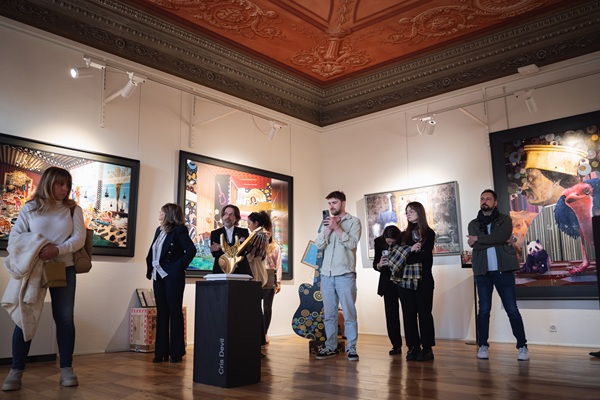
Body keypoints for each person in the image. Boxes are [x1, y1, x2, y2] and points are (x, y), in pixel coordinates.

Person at [2, 167, 86, 391]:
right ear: (48, 183)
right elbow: (15, 237)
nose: (65, 189)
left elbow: (79, 238)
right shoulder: (30, 207)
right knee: (25, 315)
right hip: (34, 269)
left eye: (68, 185)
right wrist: (38, 246)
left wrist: (57, 250)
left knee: (65, 318)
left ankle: (66, 368)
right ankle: (16, 370)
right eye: (60, 184)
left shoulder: (73, 209)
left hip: (63, 267)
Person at [467, 189, 529, 361]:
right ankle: (483, 345)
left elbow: (501, 236)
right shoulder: (473, 224)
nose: (484, 201)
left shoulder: (504, 219)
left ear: (495, 202)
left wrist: (478, 239)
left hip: (504, 270)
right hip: (482, 272)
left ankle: (522, 346)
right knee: (484, 310)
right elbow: (480, 245)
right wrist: (498, 240)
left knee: (512, 309)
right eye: (482, 198)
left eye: (488, 198)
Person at [314, 191, 361, 361]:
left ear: (343, 203)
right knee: (329, 315)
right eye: (329, 203)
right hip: (326, 275)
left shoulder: (354, 222)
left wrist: (337, 228)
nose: (331, 206)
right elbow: (318, 244)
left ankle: (351, 348)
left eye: (334, 202)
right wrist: (328, 229)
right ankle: (330, 347)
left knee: (349, 313)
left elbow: (352, 244)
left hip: (345, 274)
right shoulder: (326, 222)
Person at [145, 203, 196, 363]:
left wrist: (178, 266)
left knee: (174, 311)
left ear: (168, 214)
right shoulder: (158, 230)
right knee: (161, 312)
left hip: (173, 277)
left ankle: (176, 352)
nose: (159, 213)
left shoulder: (179, 230)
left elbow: (191, 250)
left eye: (161, 211)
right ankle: (161, 352)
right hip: (158, 276)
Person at [395, 202, 436, 361]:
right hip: (405, 281)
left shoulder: (428, 233)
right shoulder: (402, 235)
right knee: (408, 315)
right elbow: (396, 255)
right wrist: (410, 251)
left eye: (411, 211)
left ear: (420, 212)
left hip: (424, 279)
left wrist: (407, 256)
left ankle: (427, 348)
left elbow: (425, 256)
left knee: (424, 314)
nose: (408, 214)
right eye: (406, 212)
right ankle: (413, 347)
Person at [373, 225, 403, 355]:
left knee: (408, 313)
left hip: (403, 279)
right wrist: (379, 265)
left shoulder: (403, 240)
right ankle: (396, 345)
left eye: (393, 242)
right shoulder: (379, 242)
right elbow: (375, 264)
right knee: (391, 315)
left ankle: (413, 346)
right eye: (388, 242)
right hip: (387, 281)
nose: (390, 244)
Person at [209, 204, 250, 275]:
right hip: (220, 270)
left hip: (240, 271)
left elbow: (243, 251)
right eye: (225, 214)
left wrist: (220, 246)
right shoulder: (215, 233)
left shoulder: (243, 232)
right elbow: (215, 254)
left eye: (231, 214)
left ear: (236, 218)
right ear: (222, 216)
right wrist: (237, 245)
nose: (228, 217)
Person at [263, 226, 282, 343]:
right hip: (257, 277)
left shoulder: (275, 247)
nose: (266, 234)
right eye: (264, 232)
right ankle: (257, 332)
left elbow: (279, 265)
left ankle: (265, 333)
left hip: (270, 277)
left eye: (268, 232)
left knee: (267, 307)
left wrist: (278, 281)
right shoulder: (255, 245)